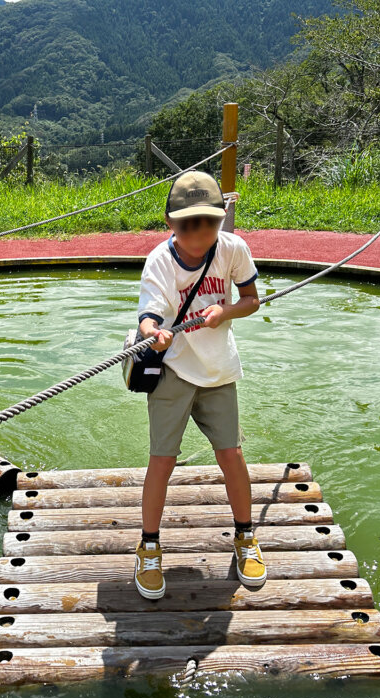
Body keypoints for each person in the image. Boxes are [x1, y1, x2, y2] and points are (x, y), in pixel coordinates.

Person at [134, 171, 264, 599]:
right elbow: (149, 315)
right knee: (163, 461)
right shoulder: (159, 261)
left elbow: (250, 300)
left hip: (219, 372)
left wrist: (225, 314)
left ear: (220, 217)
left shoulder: (233, 248)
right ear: (171, 222)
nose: (198, 232)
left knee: (232, 455)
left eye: (207, 221)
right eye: (187, 223)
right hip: (172, 371)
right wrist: (156, 332)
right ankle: (149, 546)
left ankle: (245, 536)